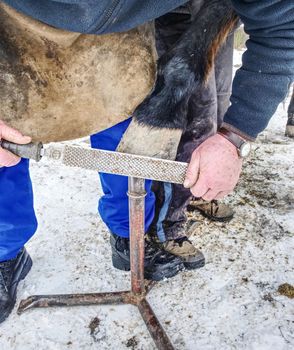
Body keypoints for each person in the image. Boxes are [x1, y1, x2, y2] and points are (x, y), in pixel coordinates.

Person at [0, 0, 293, 324]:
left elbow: (279, 25)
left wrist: (235, 137)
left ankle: (128, 235)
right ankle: (6, 252)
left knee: (127, 144)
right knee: (8, 144)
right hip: (13, 30)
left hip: (120, 42)